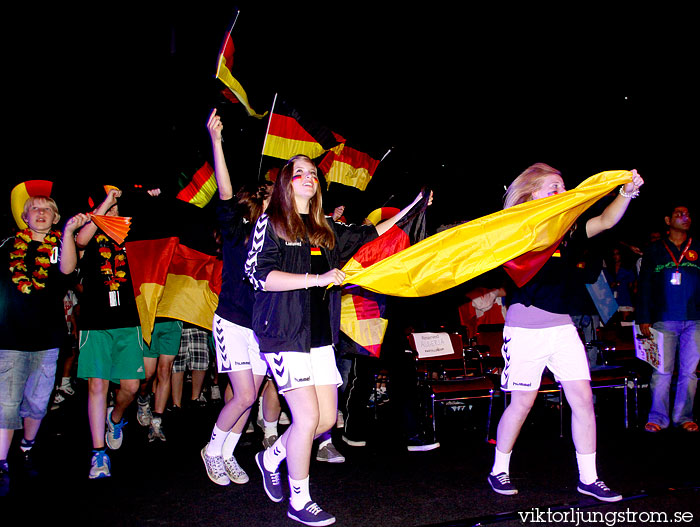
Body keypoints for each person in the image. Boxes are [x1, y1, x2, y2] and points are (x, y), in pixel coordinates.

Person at [246, 153, 429, 526]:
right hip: (282, 334)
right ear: (286, 184)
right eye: (299, 174)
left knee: (326, 419)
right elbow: (258, 275)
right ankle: (300, 500)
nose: (308, 178)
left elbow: (370, 234)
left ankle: (270, 457)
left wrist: (411, 210)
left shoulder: (325, 229)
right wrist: (317, 279)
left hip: (318, 338)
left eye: (312, 173)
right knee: (307, 416)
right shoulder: (273, 222)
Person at [488, 163, 644, 503]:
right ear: (531, 193)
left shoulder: (567, 231)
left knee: (584, 400)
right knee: (522, 404)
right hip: (525, 326)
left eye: (563, 186)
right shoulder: (516, 230)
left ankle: (589, 479)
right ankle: (499, 469)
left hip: (562, 327)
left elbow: (605, 221)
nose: (561, 192)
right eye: (552, 187)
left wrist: (626, 192)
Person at [1, 188, 88, 496]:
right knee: (7, 403)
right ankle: (1, 463)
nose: (40, 213)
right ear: (24, 217)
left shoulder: (59, 246)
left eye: (47, 210)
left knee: (37, 402)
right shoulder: (8, 245)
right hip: (10, 338)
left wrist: (67, 233)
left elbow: (66, 270)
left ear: (55, 218)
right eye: (34, 209)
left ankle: (25, 448)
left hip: (48, 340)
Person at [200, 108, 270, 487]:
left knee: (251, 395)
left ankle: (227, 455)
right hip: (232, 321)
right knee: (243, 395)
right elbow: (225, 192)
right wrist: (216, 141)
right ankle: (212, 450)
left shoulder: (277, 238)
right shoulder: (236, 230)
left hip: (261, 326)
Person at [75, 187, 145, 479]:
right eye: (108, 207)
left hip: (130, 321)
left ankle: (115, 418)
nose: (113, 212)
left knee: (130, 387)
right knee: (97, 386)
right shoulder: (88, 236)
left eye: (117, 207)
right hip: (96, 322)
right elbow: (80, 240)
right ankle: (98, 454)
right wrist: (104, 205)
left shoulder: (132, 236)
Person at [637, 203, 699, 433]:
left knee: (689, 373)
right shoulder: (654, 250)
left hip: (695, 320)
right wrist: (643, 317)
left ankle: (684, 417)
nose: (685, 217)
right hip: (663, 319)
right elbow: (644, 287)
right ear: (667, 220)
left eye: (688, 214)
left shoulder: (698, 248)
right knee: (661, 371)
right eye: (679, 214)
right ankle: (658, 418)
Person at [136, 318, 182, 441]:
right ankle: (143, 399)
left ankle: (157, 420)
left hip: (173, 320)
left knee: (165, 370)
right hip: (151, 319)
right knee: (148, 373)